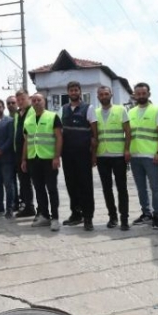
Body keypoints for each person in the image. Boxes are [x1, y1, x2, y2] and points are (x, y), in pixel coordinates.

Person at [21, 93, 63, 231]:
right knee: (39, 189)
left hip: (49, 159)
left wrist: (57, 157)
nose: (37, 102)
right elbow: (26, 142)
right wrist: (24, 160)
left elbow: (58, 138)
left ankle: (55, 218)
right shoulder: (28, 121)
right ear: (31, 103)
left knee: (51, 189)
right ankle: (44, 215)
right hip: (33, 159)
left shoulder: (53, 117)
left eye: (39, 100)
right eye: (34, 100)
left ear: (44, 101)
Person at [60, 81, 98, 231]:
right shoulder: (63, 109)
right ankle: (76, 214)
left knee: (85, 186)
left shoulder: (88, 108)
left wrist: (93, 156)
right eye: (71, 90)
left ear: (80, 92)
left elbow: (95, 135)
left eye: (76, 90)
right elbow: (59, 133)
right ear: (68, 93)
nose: (74, 92)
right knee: (71, 185)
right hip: (67, 155)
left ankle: (88, 218)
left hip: (83, 155)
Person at [128, 82, 158, 229]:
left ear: (149, 94)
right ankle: (146, 214)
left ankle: (157, 216)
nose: (141, 96)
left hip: (151, 156)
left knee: (155, 187)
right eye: (138, 94)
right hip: (135, 156)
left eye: (144, 93)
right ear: (134, 95)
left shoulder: (157, 110)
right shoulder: (131, 112)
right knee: (140, 188)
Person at [95, 86, 132, 231]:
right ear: (98, 96)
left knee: (122, 188)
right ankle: (112, 217)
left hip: (118, 155)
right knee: (106, 188)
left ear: (111, 94)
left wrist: (127, 150)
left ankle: (124, 219)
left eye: (106, 93)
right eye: (101, 94)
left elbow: (128, 132)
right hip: (102, 156)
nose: (103, 96)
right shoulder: (95, 113)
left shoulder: (120, 110)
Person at [13, 89, 36, 217]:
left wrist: (25, 157)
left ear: (29, 99)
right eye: (19, 100)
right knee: (24, 181)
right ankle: (28, 207)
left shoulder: (32, 111)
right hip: (19, 152)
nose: (20, 102)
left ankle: (36, 208)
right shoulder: (17, 114)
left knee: (33, 181)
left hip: (30, 151)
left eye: (23, 99)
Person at [6, 95, 20, 210]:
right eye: (9, 103)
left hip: (20, 154)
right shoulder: (5, 120)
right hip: (9, 155)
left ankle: (25, 202)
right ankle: (15, 203)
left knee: (24, 180)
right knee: (11, 180)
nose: (11, 105)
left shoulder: (21, 117)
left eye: (13, 103)